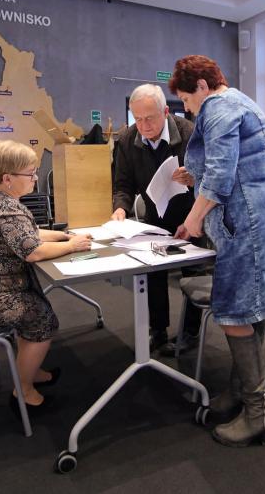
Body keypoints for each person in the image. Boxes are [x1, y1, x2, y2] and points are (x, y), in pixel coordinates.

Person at [169, 55, 265, 447]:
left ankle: (259, 414)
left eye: (186, 100)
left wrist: (193, 220)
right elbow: (238, 165)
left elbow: (222, 176)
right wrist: (195, 178)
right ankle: (241, 393)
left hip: (248, 224)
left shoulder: (217, 107)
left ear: (202, 86)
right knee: (249, 306)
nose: (188, 109)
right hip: (262, 216)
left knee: (234, 309)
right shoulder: (242, 101)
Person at [0, 139, 93, 410]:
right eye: (30, 174)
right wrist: (72, 246)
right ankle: (23, 390)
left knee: (35, 306)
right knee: (42, 318)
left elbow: (29, 233)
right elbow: (33, 251)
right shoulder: (7, 211)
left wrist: (64, 236)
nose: (35, 178)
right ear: (8, 178)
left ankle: (30, 370)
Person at [111, 83, 203, 354]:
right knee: (153, 274)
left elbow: (212, 179)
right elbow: (123, 185)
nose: (143, 126)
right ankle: (158, 330)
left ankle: (190, 332)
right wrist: (120, 209)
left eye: (149, 118)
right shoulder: (127, 139)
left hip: (191, 214)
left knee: (193, 274)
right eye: (137, 119)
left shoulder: (189, 134)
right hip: (155, 216)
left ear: (165, 112)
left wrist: (194, 179)